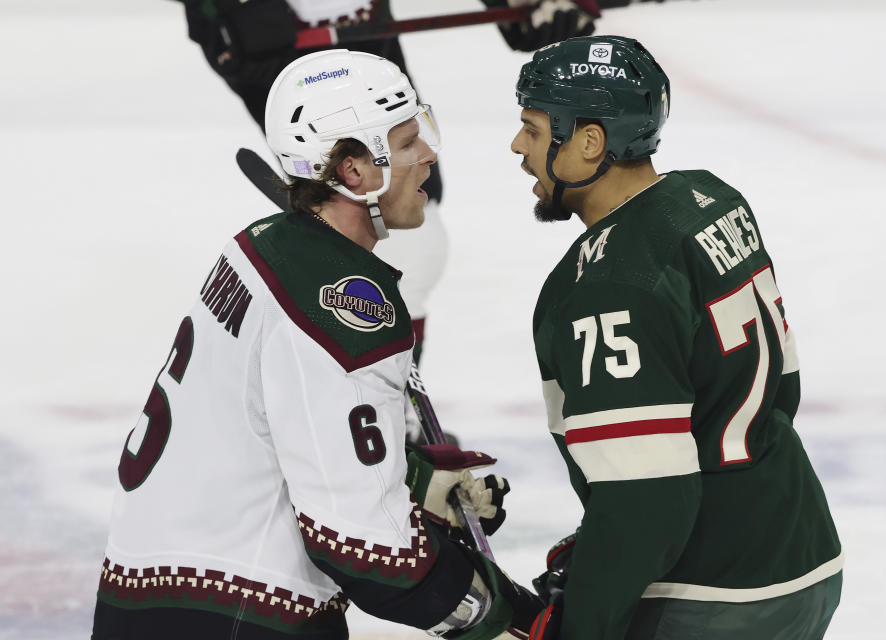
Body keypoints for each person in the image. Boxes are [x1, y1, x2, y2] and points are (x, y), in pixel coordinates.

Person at [91, 50, 541, 640]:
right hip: (239, 616)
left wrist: (408, 484)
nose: (429, 155)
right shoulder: (344, 303)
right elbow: (366, 549)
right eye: (407, 143)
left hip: (150, 598)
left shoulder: (260, 247)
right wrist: (510, 617)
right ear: (353, 171)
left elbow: (277, 440)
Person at [510, 36, 843, 640]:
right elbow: (780, 389)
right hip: (804, 554)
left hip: (714, 594)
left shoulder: (607, 287)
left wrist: (586, 618)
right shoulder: (711, 198)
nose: (518, 147)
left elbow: (648, 496)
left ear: (589, 142)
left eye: (532, 129)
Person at [176, 0, 597, 368]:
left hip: (356, 38)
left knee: (415, 228)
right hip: (273, 44)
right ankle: (369, 401)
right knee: (400, 231)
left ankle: (384, 405)